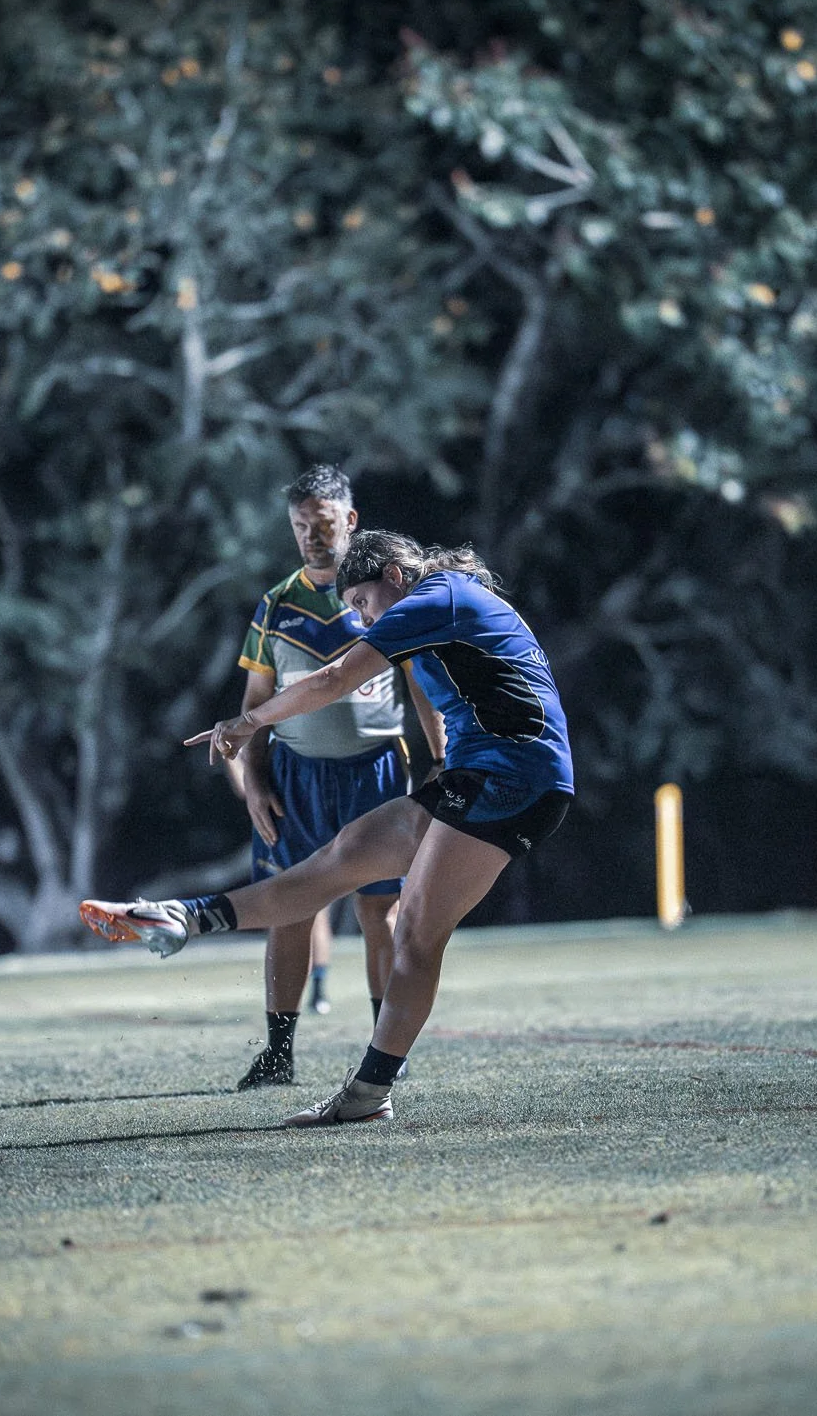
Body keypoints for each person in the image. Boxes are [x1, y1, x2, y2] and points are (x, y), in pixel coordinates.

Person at [81, 532, 573, 1126]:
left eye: (362, 603)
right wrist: (442, 762)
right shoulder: (439, 605)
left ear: (393, 575)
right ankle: (184, 916)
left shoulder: (435, 597)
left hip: (516, 777)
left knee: (414, 930)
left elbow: (331, 680)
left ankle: (367, 1095)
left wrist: (246, 722)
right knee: (340, 858)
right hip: (480, 773)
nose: (361, 618)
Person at [221, 466, 445, 1091]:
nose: (311, 538)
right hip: (297, 780)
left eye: (321, 525)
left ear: (349, 521)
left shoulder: (379, 595)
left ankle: (384, 1053)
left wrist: (440, 760)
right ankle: (278, 1053)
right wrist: (256, 781)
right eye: (299, 527)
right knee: (291, 911)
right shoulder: (275, 604)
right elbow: (256, 701)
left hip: (376, 772)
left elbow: (421, 685)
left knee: (383, 911)